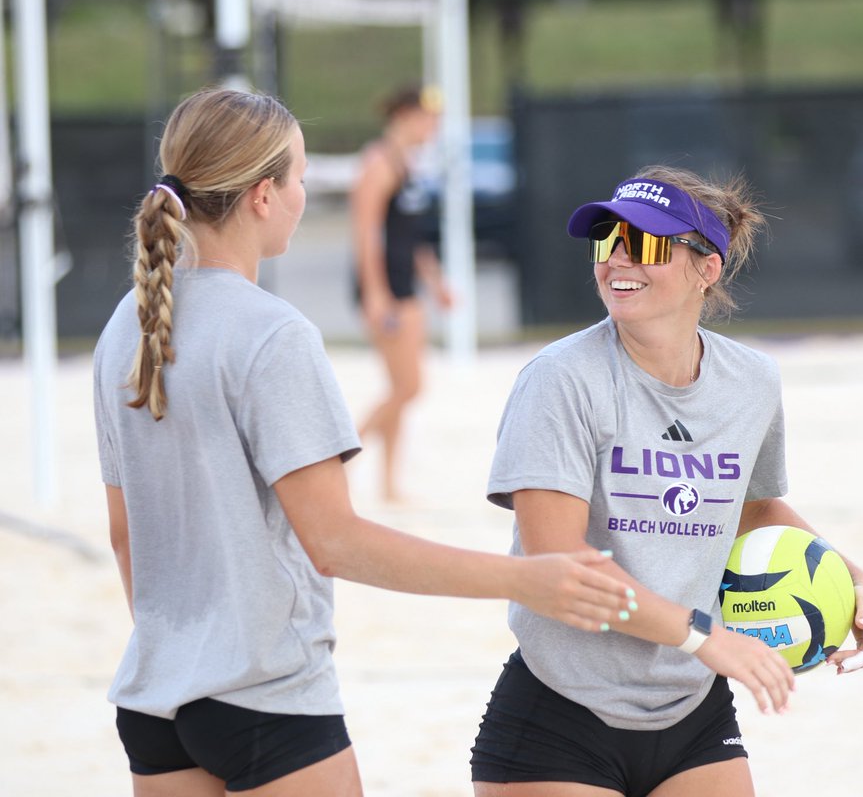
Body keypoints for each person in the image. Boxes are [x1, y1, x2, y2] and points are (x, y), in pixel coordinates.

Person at [92, 87, 637, 797]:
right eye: (300, 178)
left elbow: (123, 534)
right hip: (264, 697)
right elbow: (337, 543)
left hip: (154, 698)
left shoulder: (123, 330)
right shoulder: (272, 334)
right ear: (263, 195)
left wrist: (184, 647)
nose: (303, 194)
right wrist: (522, 578)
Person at [470, 166, 863, 797]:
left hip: (692, 706)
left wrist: (847, 577)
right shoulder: (561, 378)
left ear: (707, 268)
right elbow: (560, 566)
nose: (616, 259)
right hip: (562, 711)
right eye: (607, 239)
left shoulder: (751, 382)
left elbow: (752, 506)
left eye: (643, 244)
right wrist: (703, 635)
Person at [350, 84, 453, 502]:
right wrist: (376, 294)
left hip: (404, 284)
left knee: (399, 386)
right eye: (429, 118)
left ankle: (388, 484)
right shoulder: (378, 163)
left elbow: (412, 236)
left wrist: (436, 282)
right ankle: (339, 457)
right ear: (405, 117)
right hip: (386, 287)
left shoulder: (407, 164)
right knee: (409, 387)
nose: (434, 126)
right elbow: (364, 232)